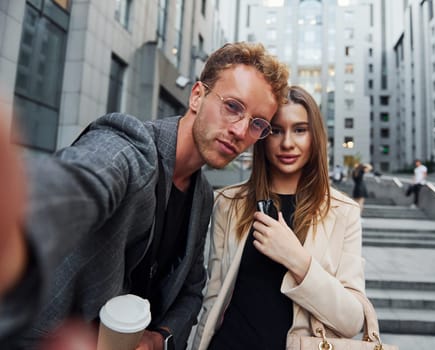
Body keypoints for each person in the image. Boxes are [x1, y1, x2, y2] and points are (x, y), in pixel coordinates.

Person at [0, 42, 289, 350]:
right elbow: (81, 180)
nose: (241, 130)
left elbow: (192, 290)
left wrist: (160, 337)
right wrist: (18, 225)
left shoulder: (203, 195)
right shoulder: (130, 145)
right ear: (196, 96)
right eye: (232, 106)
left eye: (258, 123)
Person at [192, 86, 365, 350]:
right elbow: (213, 300)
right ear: (262, 136)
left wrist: (297, 260)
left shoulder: (342, 212)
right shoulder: (228, 203)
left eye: (300, 130)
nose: (287, 143)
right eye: (275, 130)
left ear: (314, 136)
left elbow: (352, 321)